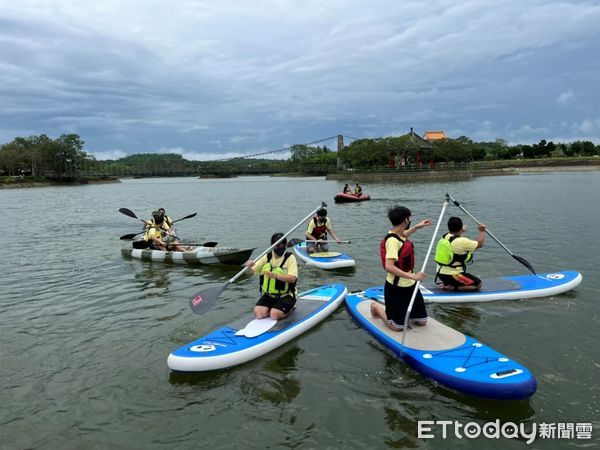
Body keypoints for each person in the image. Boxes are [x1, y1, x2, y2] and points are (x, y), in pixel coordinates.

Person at [370, 206, 433, 331]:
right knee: (397, 327)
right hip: (396, 287)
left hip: (410, 284)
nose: (410, 221)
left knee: (422, 321)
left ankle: (403, 313)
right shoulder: (392, 241)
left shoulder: (398, 234)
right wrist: (414, 276)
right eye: (410, 219)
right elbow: (389, 267)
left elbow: (403, 236)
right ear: (405, 220)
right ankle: (376, 307)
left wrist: (417, 226)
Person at [245, 233, 298, 320]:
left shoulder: (290, 258)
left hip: (286, 295)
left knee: (274, 315)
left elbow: (292, 279)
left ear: (285, 245)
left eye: (282, 246)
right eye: (277, 246)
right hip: (269, 295)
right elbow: (250, 273)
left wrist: (275, 275)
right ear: (272, 245)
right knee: (259, 314)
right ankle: (274, 307)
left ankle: (290, 307)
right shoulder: (266, 257)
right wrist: (249, 267)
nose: (279, 249)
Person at [434, 217, 486, 291]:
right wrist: (481, 231)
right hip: (452, 275)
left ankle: (448, 283)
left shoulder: (444, 237)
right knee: (478, 284)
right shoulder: (462, 242)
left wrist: (461, 230)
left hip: (440, 274)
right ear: (461, 228)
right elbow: (479, 244)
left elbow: (454, 236)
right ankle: (452, 287)